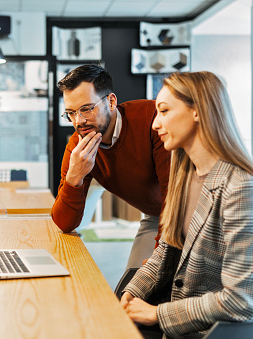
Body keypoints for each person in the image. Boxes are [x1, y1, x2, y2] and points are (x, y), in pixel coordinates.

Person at [119, 71, 253, 338]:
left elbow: (242, 301)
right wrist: (132, 292)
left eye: (164, 111)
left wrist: (157, 314)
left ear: (197, 111)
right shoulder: (184, 172)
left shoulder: (241, 187)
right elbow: (167, 248)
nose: (154, 124)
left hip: (210, 332)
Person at [51, 64, 171, 269]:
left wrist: (159, 262)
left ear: (111, 101)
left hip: (185, 211)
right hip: (155, 215)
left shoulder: (153, 121)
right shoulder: (78, 145)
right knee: (129, 288)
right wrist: (74, 177)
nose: (79, 121)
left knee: (152, 286)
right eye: (70, 113)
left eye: (87, 109)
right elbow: (65, 223)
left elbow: (174, 200)